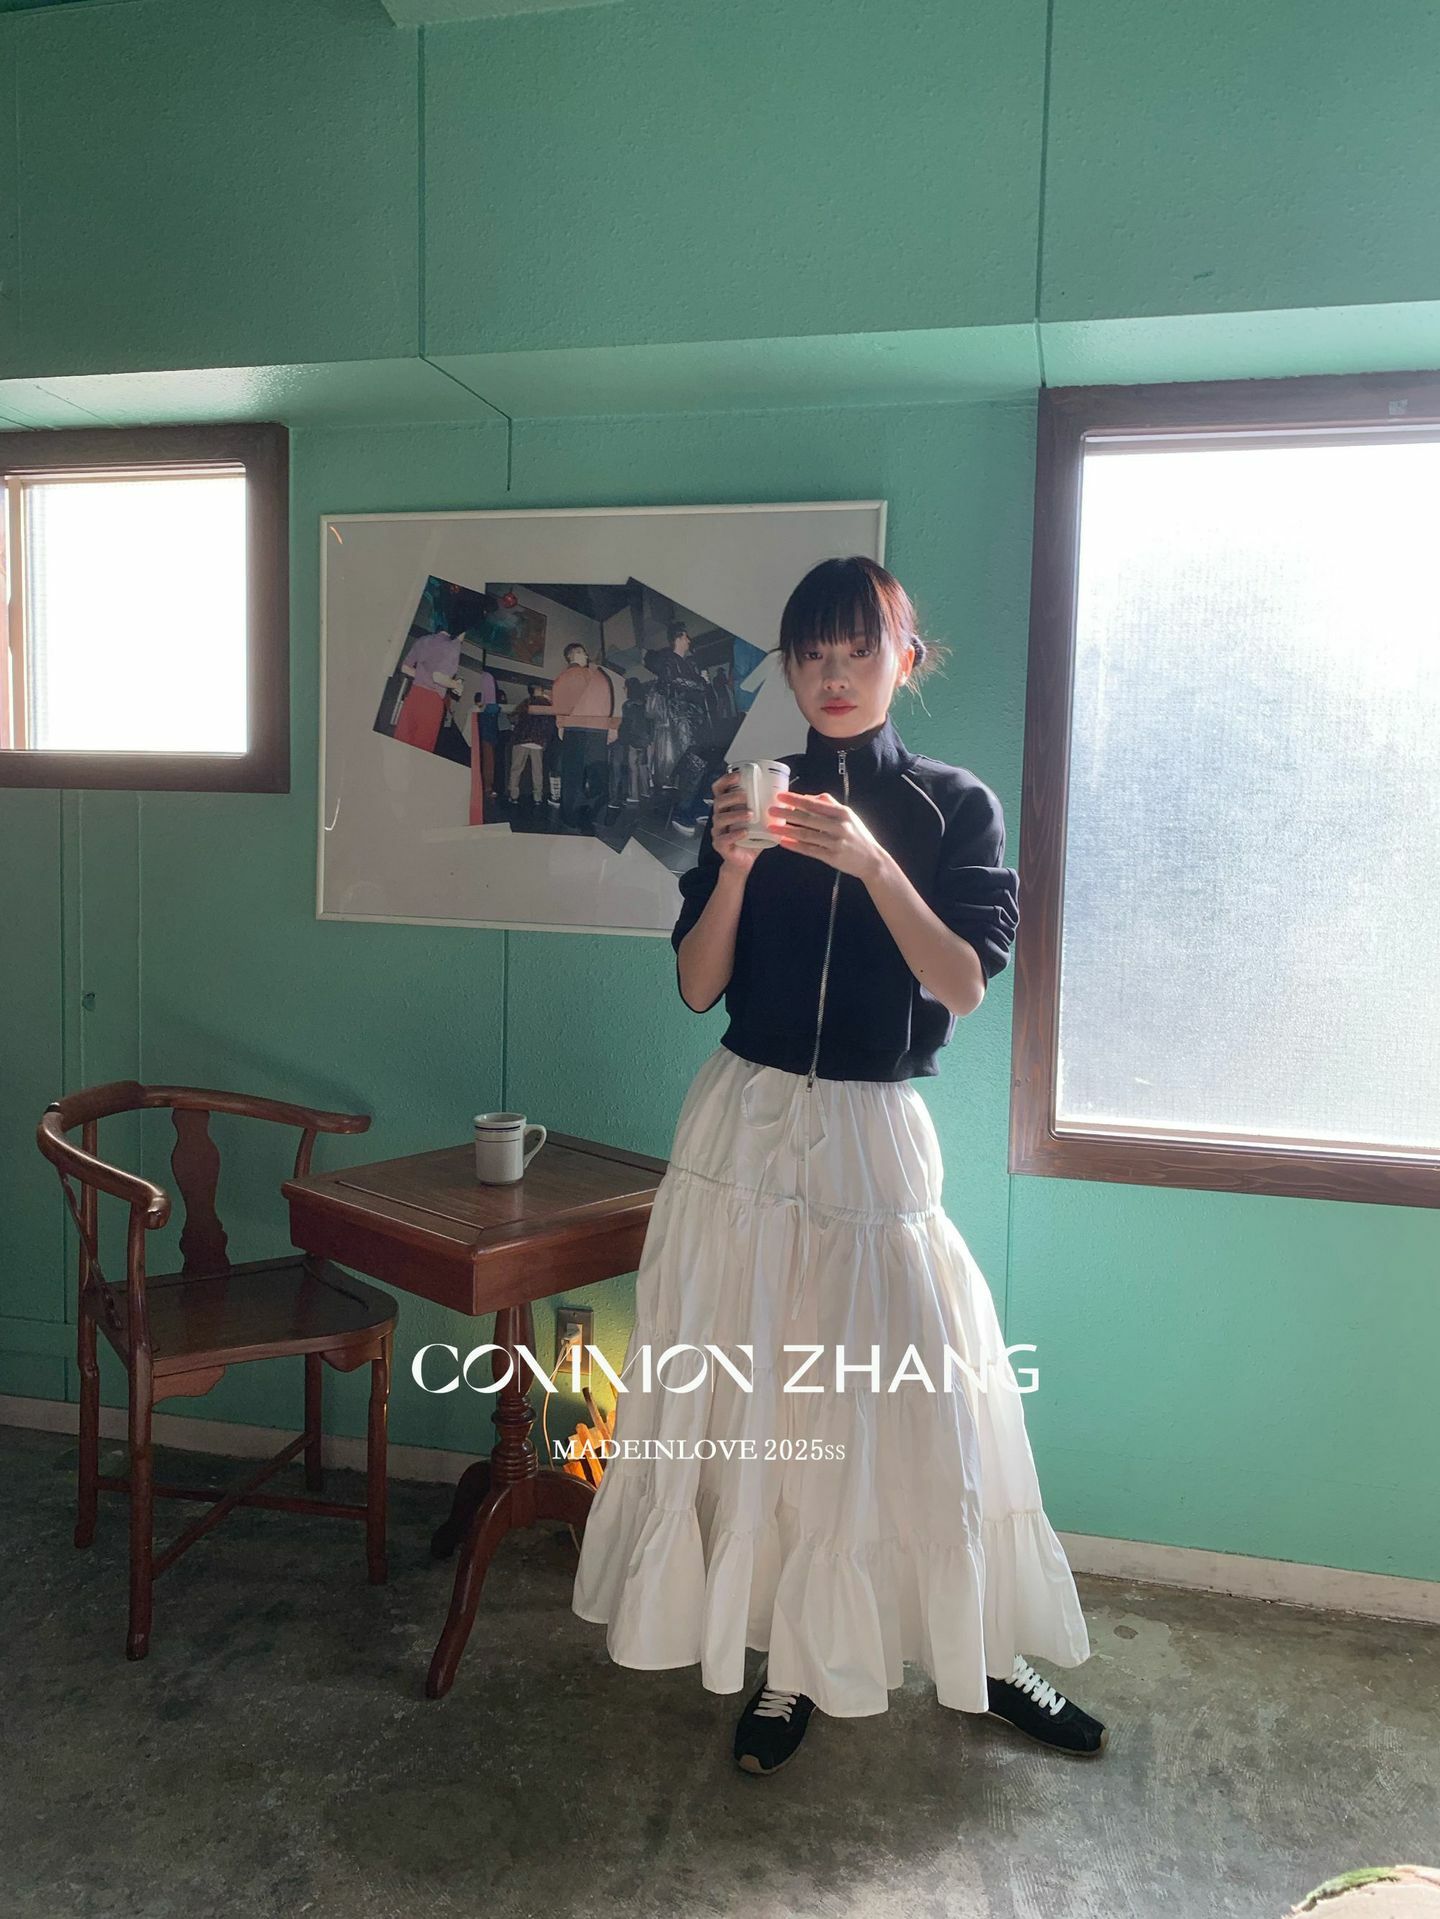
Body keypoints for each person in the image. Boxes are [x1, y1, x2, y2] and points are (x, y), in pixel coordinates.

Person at [571, 555, 1105, 1775]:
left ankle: (981, 1652)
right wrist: (736, 865)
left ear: (904, 659)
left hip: (871, 1131)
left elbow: (962, 981)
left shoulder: (953, 805)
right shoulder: (746, 795)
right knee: (761, 1398)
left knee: (910, 1400)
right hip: (743, 1127)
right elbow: (698, 985)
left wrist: (870, 860)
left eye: (858, 649)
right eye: (811, 653)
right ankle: (788, 1664)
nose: (834, 674)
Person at [549, 642, 620, 828]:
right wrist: (611, 727)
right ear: (572, 655)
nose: (586, 655)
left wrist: (561, 725)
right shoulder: (599, 676)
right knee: (598, 774)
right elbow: (610, 702)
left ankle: (571, 818)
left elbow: (560, 704)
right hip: (598, 730)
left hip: (576, 729)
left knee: (573, 776)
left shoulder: (563, 678)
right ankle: (597, 817)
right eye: (582, 652)